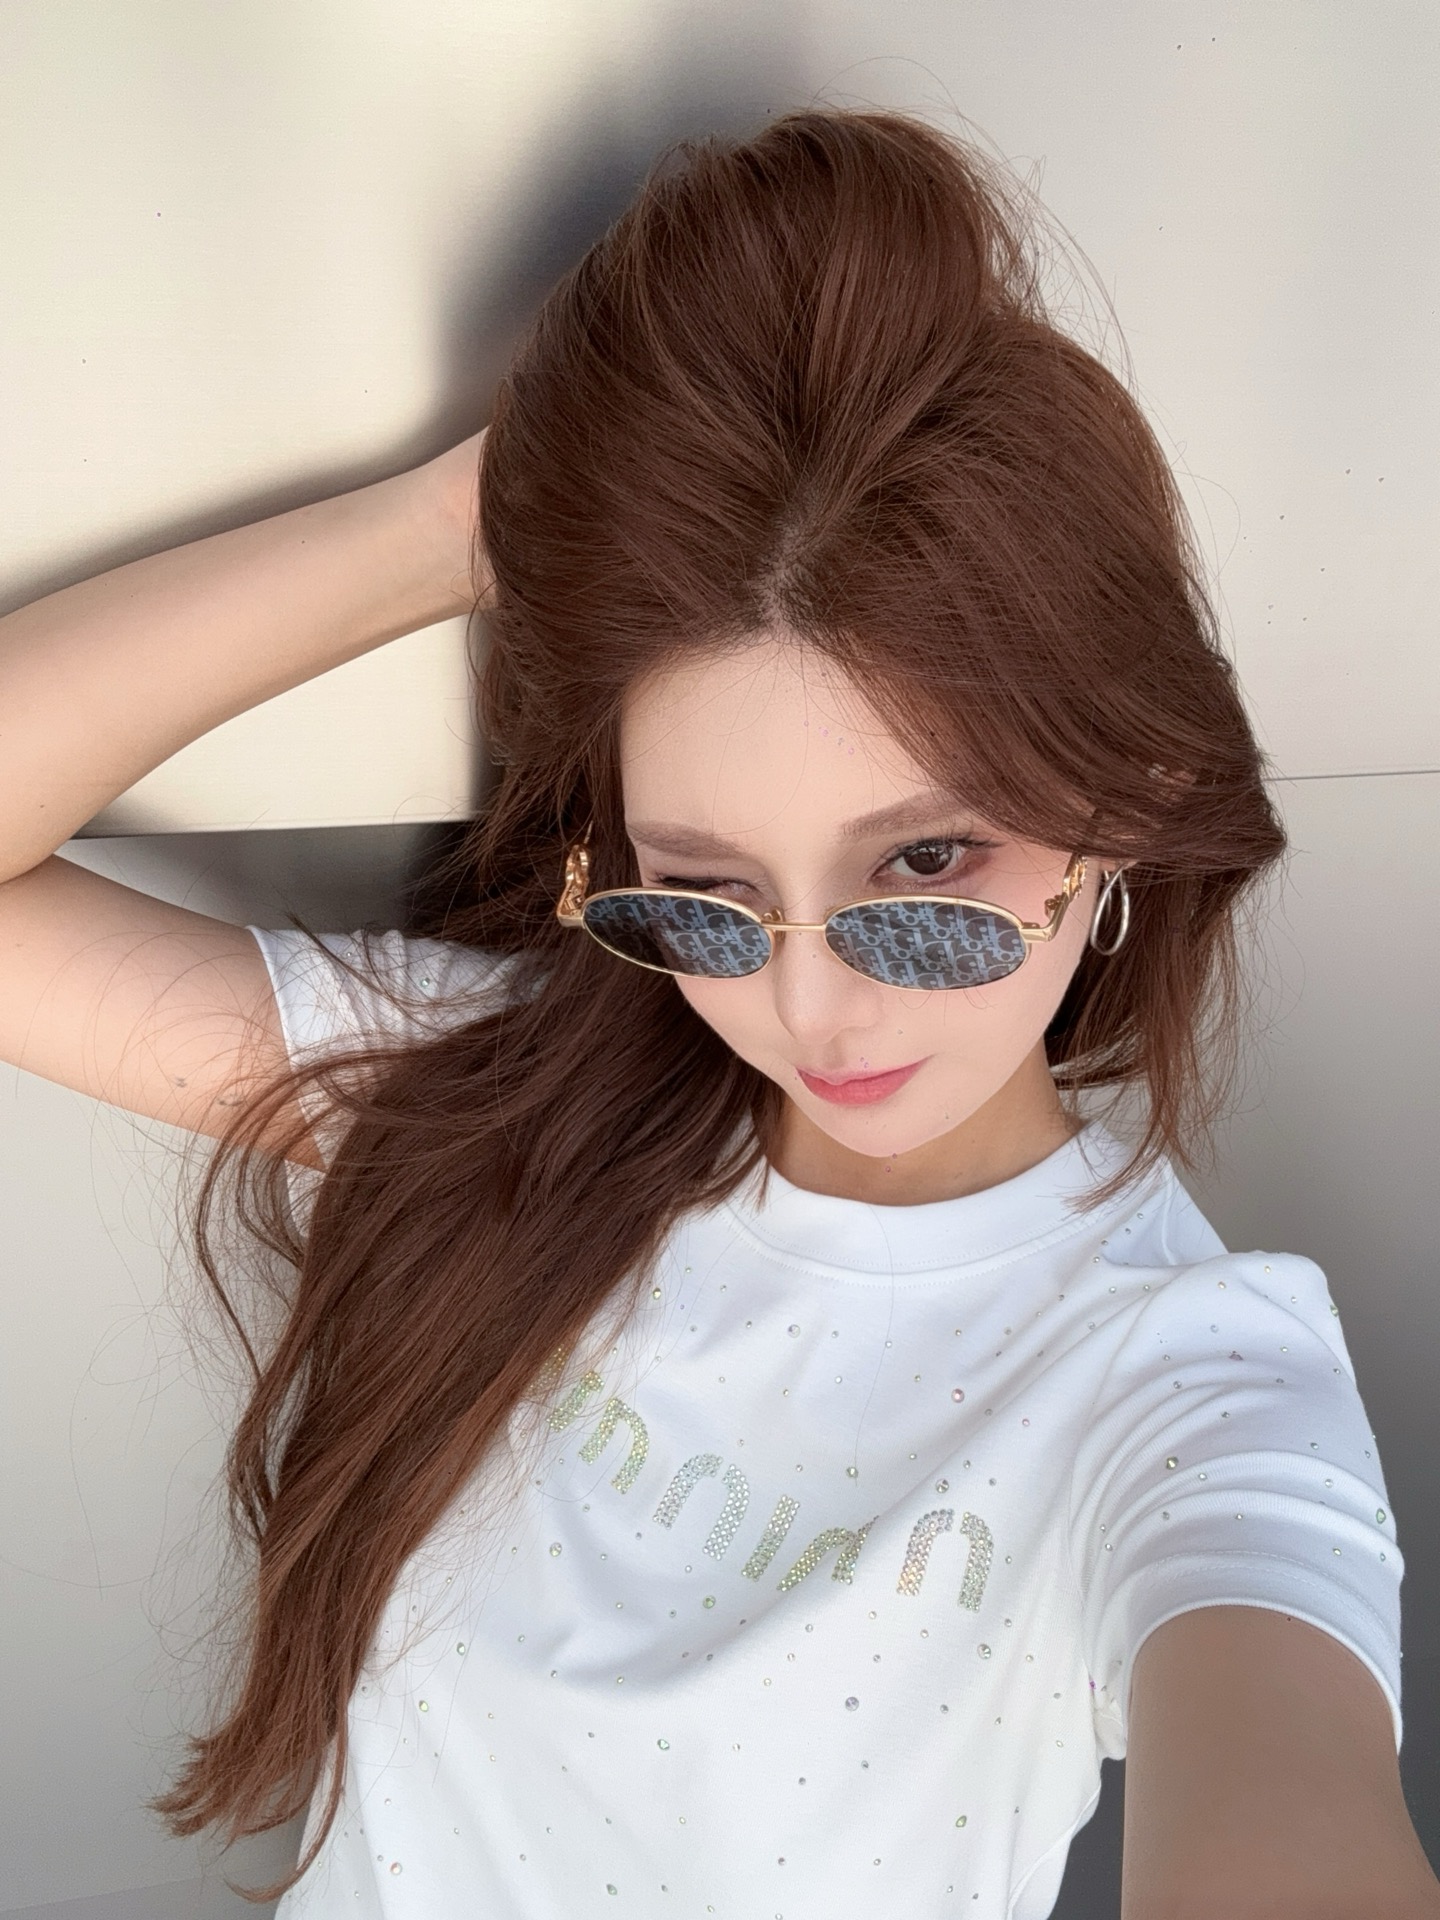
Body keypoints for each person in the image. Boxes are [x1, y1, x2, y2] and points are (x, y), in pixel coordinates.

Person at [1, 107, 1436, 1920]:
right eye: (706, 893)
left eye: (925, 868)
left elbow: (1283, 1786)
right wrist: (463, 527)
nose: (812, 1004)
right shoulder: (511, 1106)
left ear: (1126, 796)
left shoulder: (1185, 1385)